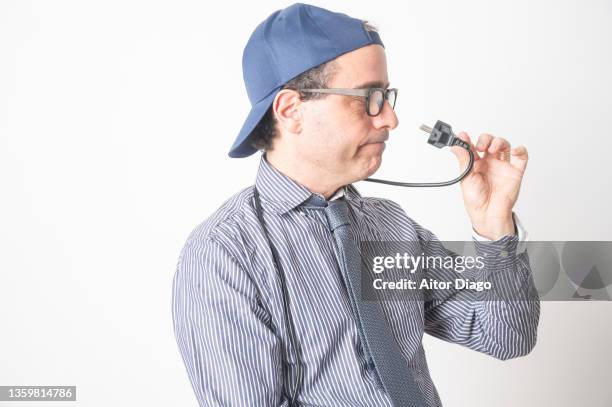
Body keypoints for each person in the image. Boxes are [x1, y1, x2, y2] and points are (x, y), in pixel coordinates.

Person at [171, 3, 540, 406]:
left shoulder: (391, 226)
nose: (390, 119)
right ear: (291, 110)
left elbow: (506, 336)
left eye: (387, 96)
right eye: (369, 97)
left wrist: (494, 226)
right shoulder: (224, 254)